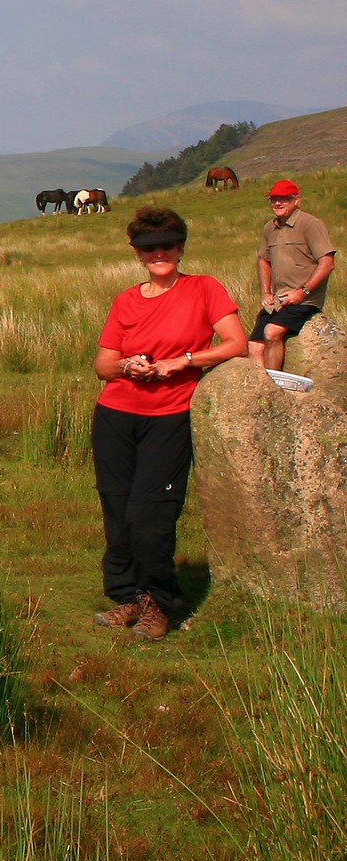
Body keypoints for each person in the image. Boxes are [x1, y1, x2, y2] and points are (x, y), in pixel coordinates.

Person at [91, 207, 246, 642]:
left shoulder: (204, 289)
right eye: (148, 247)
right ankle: (126, 597)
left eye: (167, 245)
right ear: (137, 254)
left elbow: (236, 343)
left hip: (170, 416)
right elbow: (103, 366)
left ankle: (159, 602)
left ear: (180, 248)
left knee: (151, 515)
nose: (158, 253)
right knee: (118, 510)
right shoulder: (125, 300)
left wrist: (185, 361)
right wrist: (127, 365)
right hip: (116, 415)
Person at [252, 179, 334, 373]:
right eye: (273, 199)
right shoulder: (269, 228)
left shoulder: (311, 224)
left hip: (304, 300)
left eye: (284, 199)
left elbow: (327, 263)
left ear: (296, 200)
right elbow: (264, 260)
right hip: (278, 300)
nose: (277, 203)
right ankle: (260, 393)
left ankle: (276, 388)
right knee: (254, 345)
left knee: (272, 333)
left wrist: (302, 292)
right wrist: (265, 292)